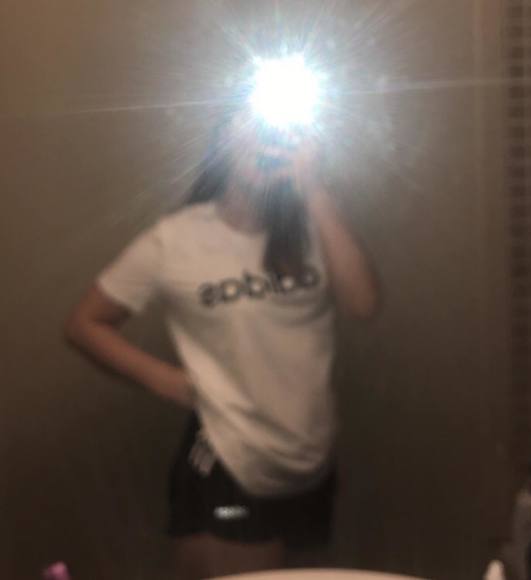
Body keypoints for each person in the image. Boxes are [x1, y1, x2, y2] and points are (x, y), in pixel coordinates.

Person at [65, 106, 379, 579]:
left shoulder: (313, 226)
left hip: (310, 457)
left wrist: (314, 189)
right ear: (222, 143)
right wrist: (166, 380)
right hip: (229, 457)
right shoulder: (177, 239)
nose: (267, 141)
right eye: (253, 127)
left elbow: (363, 303)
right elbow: (85, 323)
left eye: (280, 129)